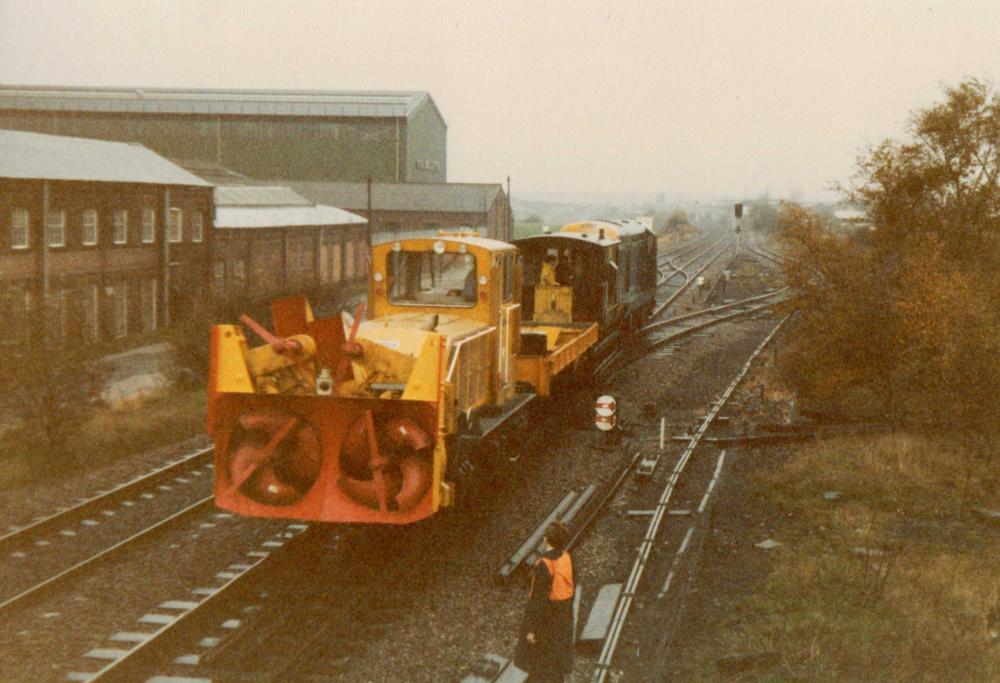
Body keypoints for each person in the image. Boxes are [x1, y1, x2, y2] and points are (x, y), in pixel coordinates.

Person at [514, 521, 575, 682]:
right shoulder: (566, 557)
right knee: (556, 661)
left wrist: (532, 630)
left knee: (539, 662)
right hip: (564, 616)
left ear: (546, 540)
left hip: (547, 618)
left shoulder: (544, 564)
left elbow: (538, 600)